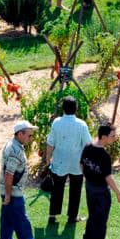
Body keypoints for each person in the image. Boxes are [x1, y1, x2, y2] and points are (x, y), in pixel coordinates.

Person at [0, 120, 50, 239]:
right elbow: (9, 174)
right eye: (29, 135)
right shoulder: (15, 151)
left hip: (6, 190)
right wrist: (9, 195)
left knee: (7, 222)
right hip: (13, 193)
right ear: (20, 134)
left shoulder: (11, 144)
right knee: (23, 223)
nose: (31, 138)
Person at [45, 96, 92, 225]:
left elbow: (50, 143)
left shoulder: (57, 123)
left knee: (57, 189)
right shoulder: (81, 124)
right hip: (77, 162)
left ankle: (53, 215)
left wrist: (47, 159)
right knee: (76, 189)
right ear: (76, 109)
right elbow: (88, 144)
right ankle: (72, 216)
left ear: (63, 109)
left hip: (60, 161)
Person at [80, 124, 120, 239]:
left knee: (92, 217)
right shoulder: (104, 155)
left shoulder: (88, 147)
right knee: (100, 220)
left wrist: (89, 178)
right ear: (104, 137)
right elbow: (108, 177)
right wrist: (119, 193)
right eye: (112, 136)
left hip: (89, 188)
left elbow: (81, 164)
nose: (114, 139)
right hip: (101, 191)